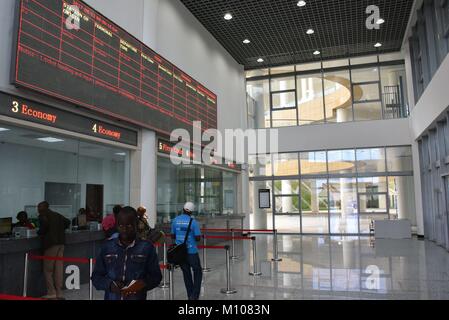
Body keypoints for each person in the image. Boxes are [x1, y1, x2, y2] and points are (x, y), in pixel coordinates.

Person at [91, 206, 162, 300]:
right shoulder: (107, 247)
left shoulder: (146, 247)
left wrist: (142, 284)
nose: (124, 229)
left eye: (129, 225)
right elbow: (96, 277)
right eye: (121, 225)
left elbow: (156, 277)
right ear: (116, 226)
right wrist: (110, 285)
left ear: (136, 224)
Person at [37, 201, 71, 300]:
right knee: (58, 269)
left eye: (39, 208)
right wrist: (60, 229)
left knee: (48, 270)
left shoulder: (43, 216)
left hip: (51, 244)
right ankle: (59, 293)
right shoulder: (57, 214)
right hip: (61, 244)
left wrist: (39, 232)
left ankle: (51, 292)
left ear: (43, 208)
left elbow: (43, 229)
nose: (38, 210)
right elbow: (68, 222)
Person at [171, 202, 203, 300]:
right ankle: (194, 295)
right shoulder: (193, 222)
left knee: (186, 273)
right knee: (197, 271)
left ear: (183, 209)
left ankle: (190, 295)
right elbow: (198, 238)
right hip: (191, 251)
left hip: (180, 252)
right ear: (192, 211)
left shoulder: (175, 220)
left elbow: (173, 235)